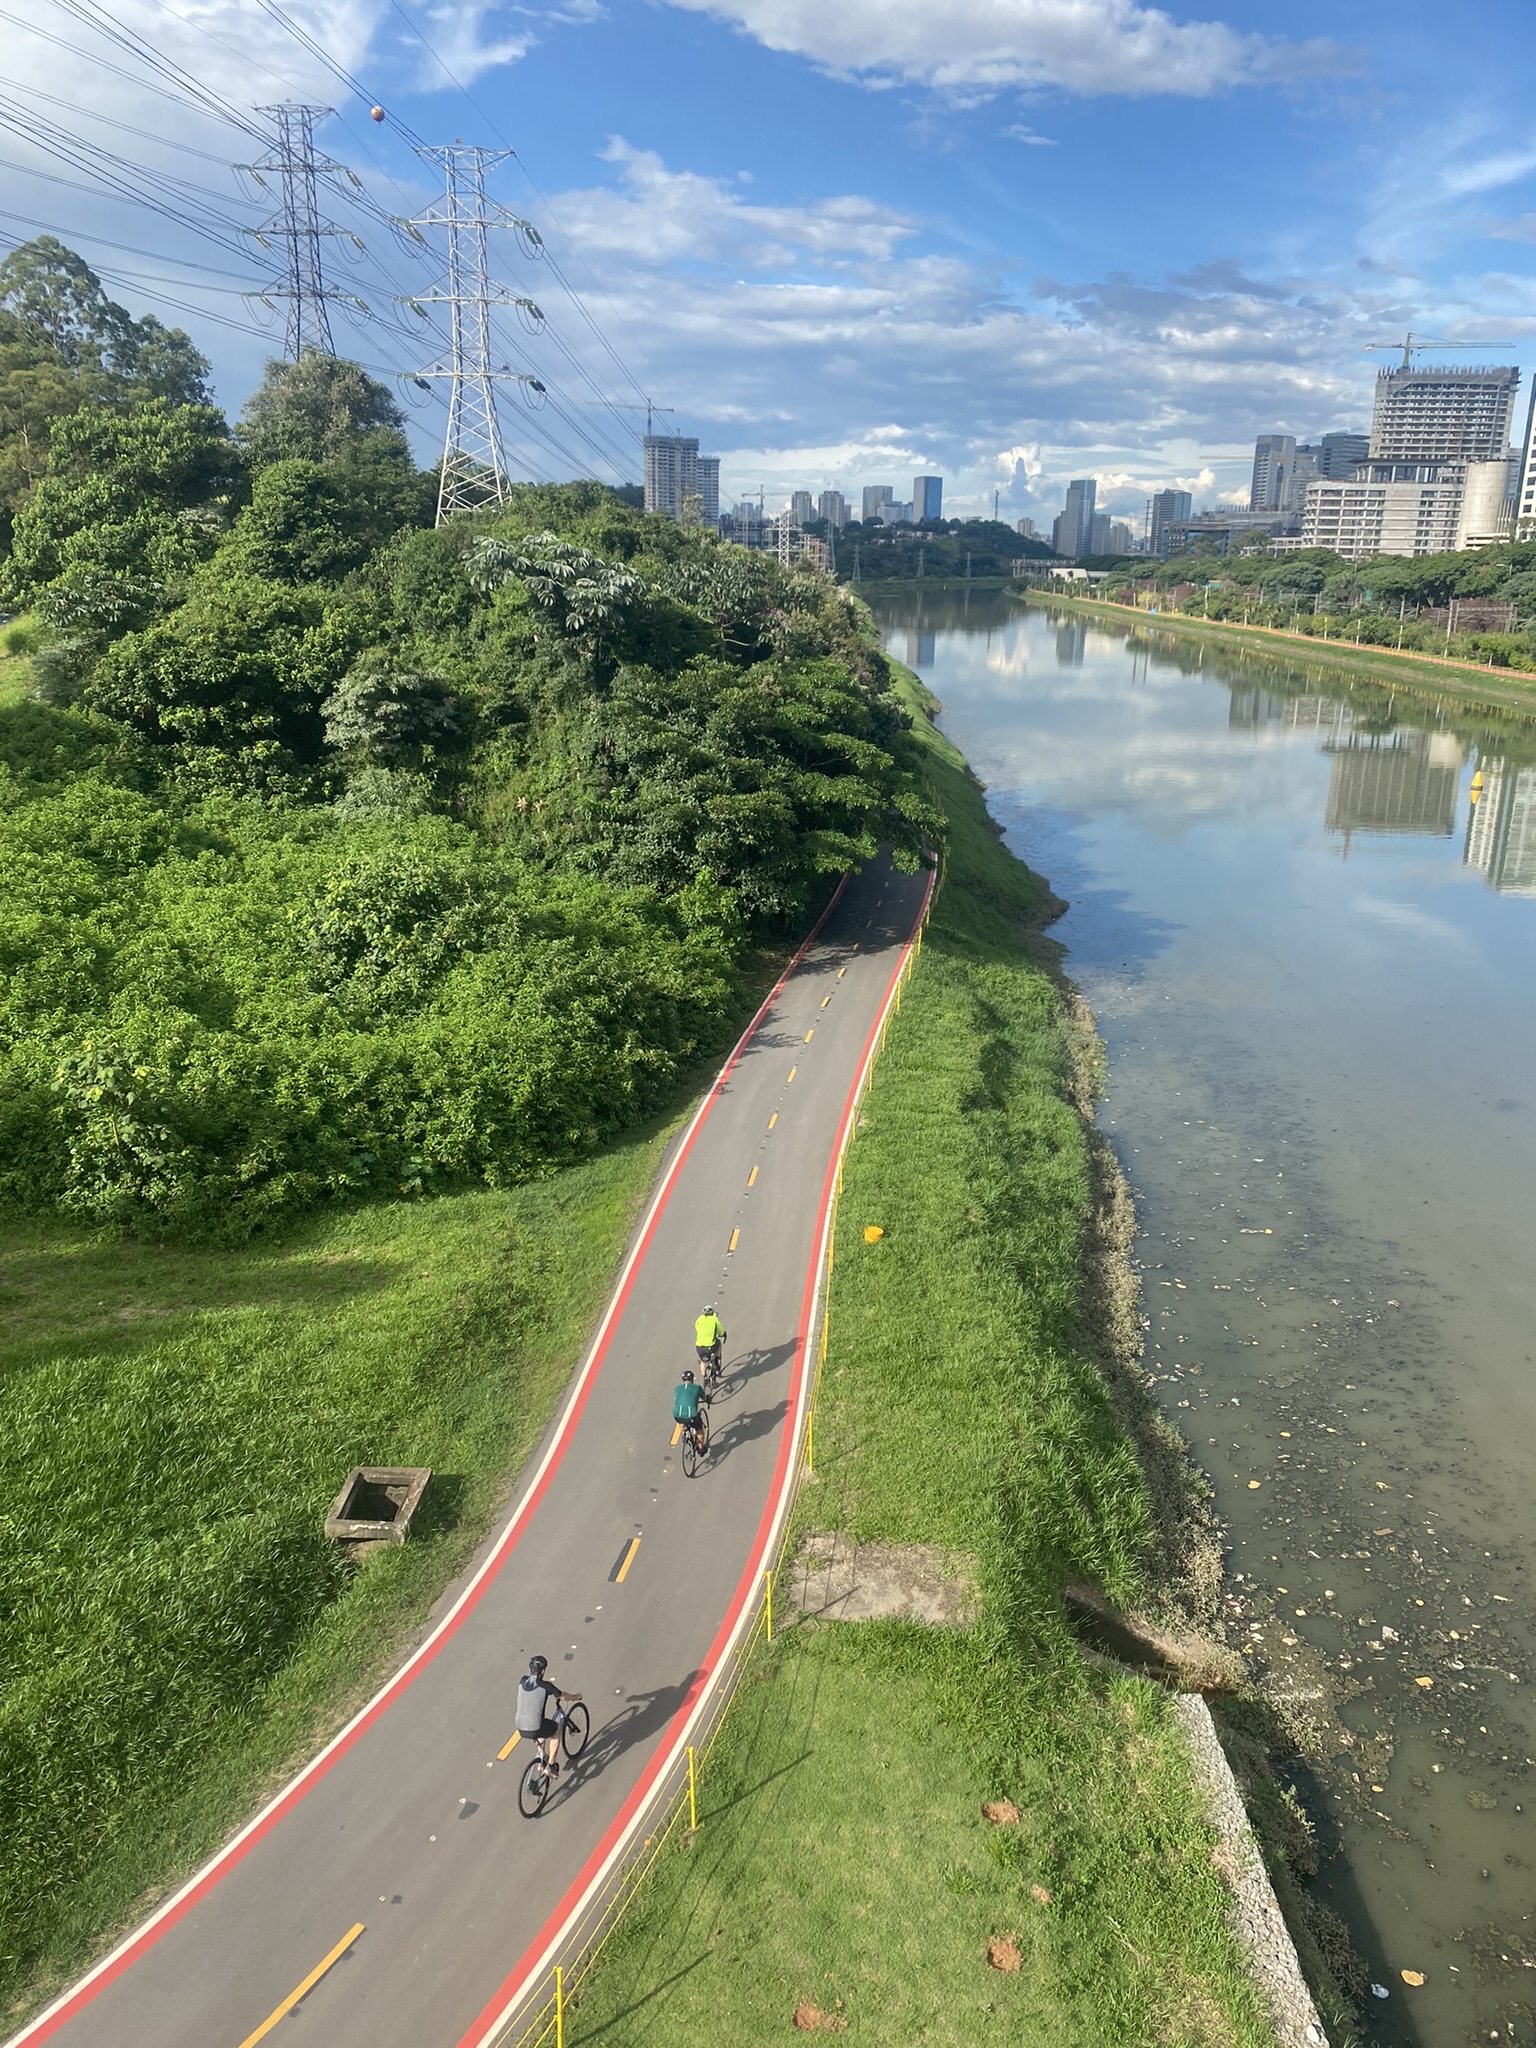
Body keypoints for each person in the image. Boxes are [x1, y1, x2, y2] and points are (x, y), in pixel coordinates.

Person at [515, 1654, 581, 1776]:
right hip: (535, 1726)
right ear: (543, 1670)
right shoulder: (546, 1686)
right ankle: (550, 1766)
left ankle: (541, 1759)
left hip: (520, 1726)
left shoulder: (522, 1681)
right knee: (556, 1730)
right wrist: (576, 1697)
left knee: (541, 1729)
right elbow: (563, 1696)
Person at [673, 1367, 706, 1452]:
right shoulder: (697, 1388)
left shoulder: (677, 1388)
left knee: (681, 1420)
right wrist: (707, 1399)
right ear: (692, 1379)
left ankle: (684, 1431)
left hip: (677, 1415)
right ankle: (701, 1448)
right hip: (692, 1415)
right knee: (699, 1430)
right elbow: (704, 1397)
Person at [694, 1304, 726, 1379]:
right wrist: (722, 1335)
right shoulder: (714, 1319)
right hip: (710, 1346)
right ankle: (717, 1359)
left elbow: (697, 1328)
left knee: (703, 1361)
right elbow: (721, 1332)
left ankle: (704, 1377)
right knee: (718, 1344)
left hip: (699, 1346)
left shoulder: (699, 1319)